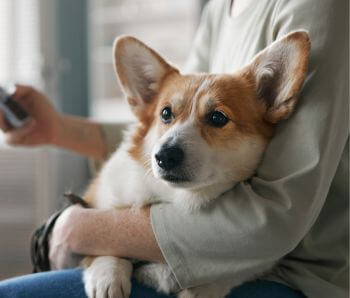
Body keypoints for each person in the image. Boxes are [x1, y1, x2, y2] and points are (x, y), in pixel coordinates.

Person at [0, 0, 348, 297]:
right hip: (181, 245)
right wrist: (58, 128)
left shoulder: (319, 8)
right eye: (169, 114)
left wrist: (83, 230)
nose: (169, 146)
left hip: (290, 277)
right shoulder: (221, 7)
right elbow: (161, 124)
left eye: (217, 118)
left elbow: (277, 216)